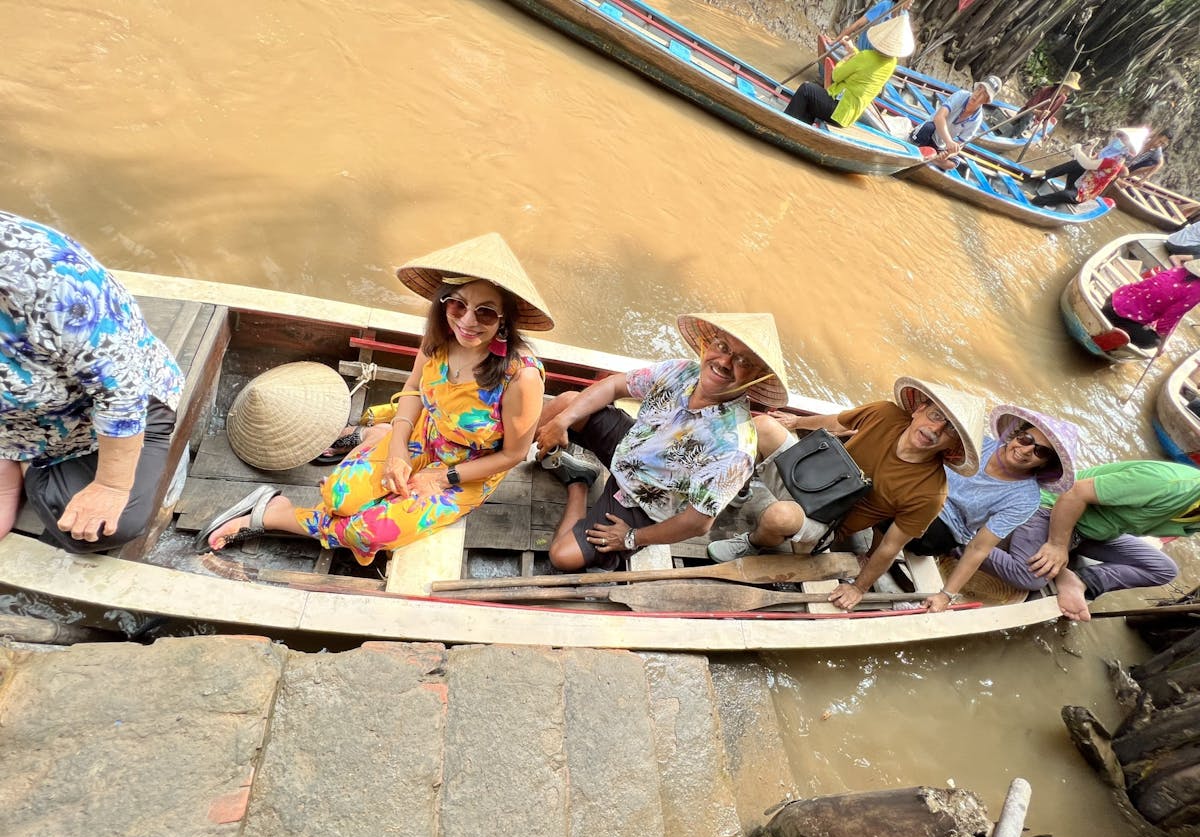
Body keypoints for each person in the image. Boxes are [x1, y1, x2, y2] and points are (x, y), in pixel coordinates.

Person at [199, 233, 550, 563]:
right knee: (338, 499)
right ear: (444, 304)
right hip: (419, 435)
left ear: (505, 320)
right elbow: (413, 389)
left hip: (468, 468)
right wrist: (398, 451)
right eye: (458, 305)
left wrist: (443, 478)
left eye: (485, 312)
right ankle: (378, 435)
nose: (468, 321)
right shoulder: (440, 339)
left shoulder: (520, 376)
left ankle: (275, 514)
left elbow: (514, 454)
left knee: (367, 532)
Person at [533, 313, 788, 573]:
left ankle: (579, 483)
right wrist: (562, 421)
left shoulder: (735, 446)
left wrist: (631, 537)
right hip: (630, 448)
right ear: (709, 345)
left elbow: (697, 523)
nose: (724, 362)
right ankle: (509, 453)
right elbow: (613, 386)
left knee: (562, 556)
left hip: (646, 501)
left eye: (743, 361)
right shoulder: (681, 372)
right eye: (722, 347)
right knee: (566, 403)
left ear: (757, 377)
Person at [706, 377, 985, 612]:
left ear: (951, 446)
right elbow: (836, 423)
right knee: (765, 426)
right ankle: (739, 486)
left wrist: (859, 587)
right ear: (919, 410)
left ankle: (753, 543)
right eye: (936, 416)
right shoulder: (886, 413)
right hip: (810, 475)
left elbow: (890, 546)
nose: (935, 430)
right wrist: (794, 423)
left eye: (949, 430)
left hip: (827, 520)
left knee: (779, 516)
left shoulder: (930, 492)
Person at [0, 210, 184, 553]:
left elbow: (120, 391)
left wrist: (111, 486)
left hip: (93, 417)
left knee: (101, 527)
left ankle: (36, 470)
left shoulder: (45, 278)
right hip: (13, 424)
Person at [979, 460, 1200, 622]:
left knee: (1163, 569)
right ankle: (963, 540)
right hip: (1053, 508)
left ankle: (1079, 580)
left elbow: (1161, 527)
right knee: (1029, 577)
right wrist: (1057, 545)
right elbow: (1073, 494)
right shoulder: (1167, 484)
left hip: (1097, 530)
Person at [911, 406, 1078, 612]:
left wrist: (946, 595)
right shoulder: (980, 444)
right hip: (917, 495)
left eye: (1039, 451)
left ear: (1045, 463)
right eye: (1025, 439)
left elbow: (979, 547)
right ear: (1015, 436)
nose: (1026, 450)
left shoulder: (1025, 497)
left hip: (942, 528)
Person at [783, 16, 915, 128]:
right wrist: (854, 52)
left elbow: (836, 75)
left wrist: (846, 58)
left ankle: (785, 125)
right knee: (813, 98)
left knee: (806, 89)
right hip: (850, 114)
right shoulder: (891, 63)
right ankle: (803, 127)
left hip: (838, 110)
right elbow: (868, 67)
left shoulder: (866, 56)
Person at [1029, 127, 1148, 208]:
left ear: (1128, 147)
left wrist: (1077, 150)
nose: (1120, 140)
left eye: (1125, 140)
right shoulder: (1108, 152)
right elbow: (1090, 160)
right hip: (1079, 183)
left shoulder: (1114, 161)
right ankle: (1045, 173)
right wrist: (1091, 147)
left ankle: (1035, 200)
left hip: (1082, 193)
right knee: (1077, 164)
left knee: (1065, 195)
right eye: (1121, 137)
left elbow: (1088, 164)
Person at [1100, 259, 1200, 350]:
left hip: (1113, 299)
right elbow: (1167, 321)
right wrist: (1161, 345)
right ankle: (1119, 334)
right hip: (1123, 318)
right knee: (1153, 342)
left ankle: (1116, 330)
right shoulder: (1196, 291)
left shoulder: (1178, 269)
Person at [910, 76, 1003, 170]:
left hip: (940, 146)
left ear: (986, 101)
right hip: (930, 133)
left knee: (954, 163)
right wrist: (949, 141)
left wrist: (948, 153)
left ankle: (931, 158)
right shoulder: (961, 95)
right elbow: (939, 117)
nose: (977, 95)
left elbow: (959, 145)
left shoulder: (977, 120)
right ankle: (920, 151)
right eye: (979, 89)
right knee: (929, 127)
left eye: (983, 94)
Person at [997, 72, 1081, 139]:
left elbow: (1047, 118)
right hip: (1024, 115)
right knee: (1029, 115)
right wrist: (1039, 112)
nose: (1067, 92)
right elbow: (1029, 108)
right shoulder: (1045, 90)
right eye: (1066, 88)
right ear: (1061, 85)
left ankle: (1013, 135)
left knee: (1029, 121)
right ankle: (1011, 136)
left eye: (1070, 90)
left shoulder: (1062, 99)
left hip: (1034, 123)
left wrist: (1044, 134)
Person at [834, 0, 914, 51]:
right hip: (865, 48)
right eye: (910, 2)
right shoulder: (885, 6)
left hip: (881, 52)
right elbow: (858, 24)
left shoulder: (904, 16)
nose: (911, 5)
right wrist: (835, 41)